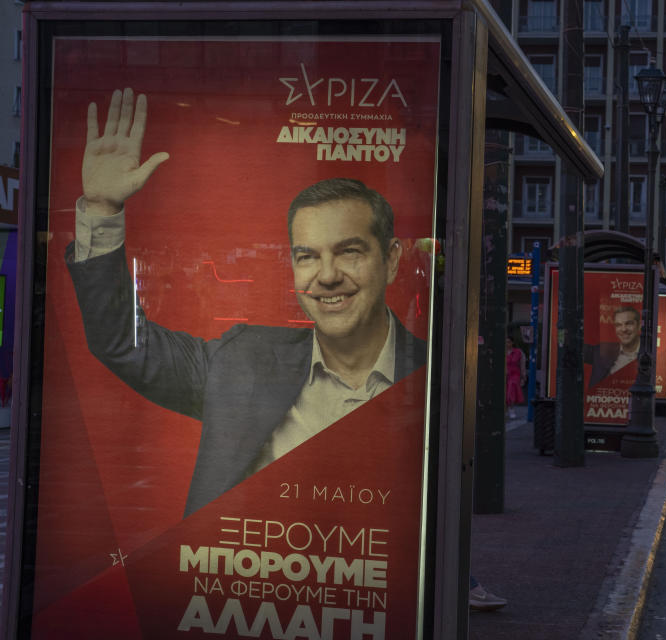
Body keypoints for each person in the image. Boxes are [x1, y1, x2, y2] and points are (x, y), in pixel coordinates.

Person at [67, 88, 426, 516]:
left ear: (391, 260)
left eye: (349, 251)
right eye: (307, 256)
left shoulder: (430, 379)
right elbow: (120, 342)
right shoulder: (243, 361)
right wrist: (102, 209)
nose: (327, 276)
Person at [584, 306, 641, 388]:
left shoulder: (649, 352)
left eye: (628, 323)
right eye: (618, 325)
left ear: (639, 325)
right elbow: (572, 347)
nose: (623, 329)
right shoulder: (602, 351)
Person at [505, 336, 526, 419]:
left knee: (511, 390)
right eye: (506, 342)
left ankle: (511, 409)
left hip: (515, 375)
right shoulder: (503, 352)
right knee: (505, 393)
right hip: (506, 375)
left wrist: (523, 377)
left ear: (512, 343)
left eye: (509, 342)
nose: (507, 344)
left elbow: (522, 364)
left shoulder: (518, 352)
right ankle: (506, 409)